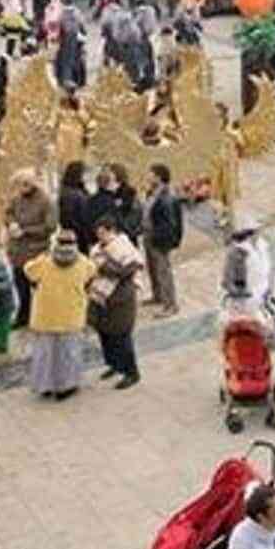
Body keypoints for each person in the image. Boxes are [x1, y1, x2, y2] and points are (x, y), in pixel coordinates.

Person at [23, 230, 96, 401]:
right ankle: (66, 386)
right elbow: (91, 274)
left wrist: (44, 255)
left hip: (45, 316)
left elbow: (28, 271)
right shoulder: (83, 262)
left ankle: (44, 385)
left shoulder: (46, 261)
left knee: (44, 354)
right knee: (69, 353)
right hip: (71, 315)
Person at [88, 216, 142, 390]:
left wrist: (105, 266)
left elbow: (129, 270)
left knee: (121, 335)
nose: (100, 237)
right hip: (102, 297)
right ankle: (114, 364)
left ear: (111, 230)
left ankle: (131, 372)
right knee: (105, 333)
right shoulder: (97, 249)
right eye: (98, 234)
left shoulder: (123, 246)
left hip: (121, 298)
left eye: (103, 233)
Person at [5, 170, 57, 329]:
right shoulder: (17, 198)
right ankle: (24, 315)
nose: (22, 189)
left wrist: (26, 231)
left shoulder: (46, 201)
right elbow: (8, 213)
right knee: (21, 287)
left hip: (36, 251)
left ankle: (46, 316)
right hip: (17, 252)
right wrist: (11, 223)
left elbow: (50, 226)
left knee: (40, 287)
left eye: (25, 185)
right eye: (20, 185)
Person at [143, 163, 182, 318]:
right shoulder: (152, 192)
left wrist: (158, 238)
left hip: (158, 239)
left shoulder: (167, 197)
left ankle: (170, 304)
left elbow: (169, 224)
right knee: (152, 268)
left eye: (151, 174)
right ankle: (157, 295)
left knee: (163, 271)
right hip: (149, 235)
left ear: (158, 177)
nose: (148, 176)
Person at [57, 160, 94, 255]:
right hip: (79, 236)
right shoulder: (74, 194)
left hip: (76, 234)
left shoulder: (71, 190)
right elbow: (77, 218)